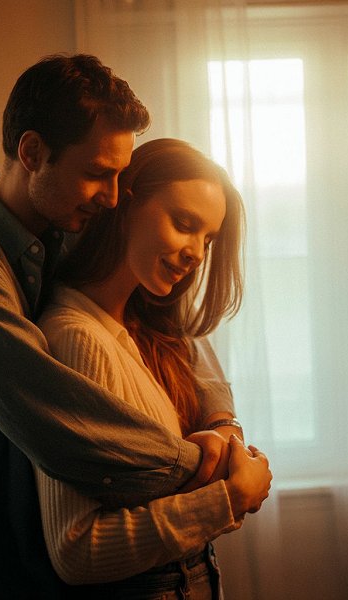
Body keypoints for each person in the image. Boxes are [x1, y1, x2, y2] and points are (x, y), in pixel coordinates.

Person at [0, 54, 256, 599]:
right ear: (32, 153)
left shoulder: (67, 228)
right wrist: (208, 470)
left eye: (120, 175)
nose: (113, 196)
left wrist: (223, 423)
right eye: (97, 174)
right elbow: (59, 420)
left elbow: (169, 323)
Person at [36, 138, 272, 599]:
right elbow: (76, 550)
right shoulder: (78, 340)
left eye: (208, 239)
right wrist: (229, 499)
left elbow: (202, 362)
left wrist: (224, 428)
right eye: (184, 224)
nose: (197, 253)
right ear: (125, 204)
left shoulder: (146, 325)